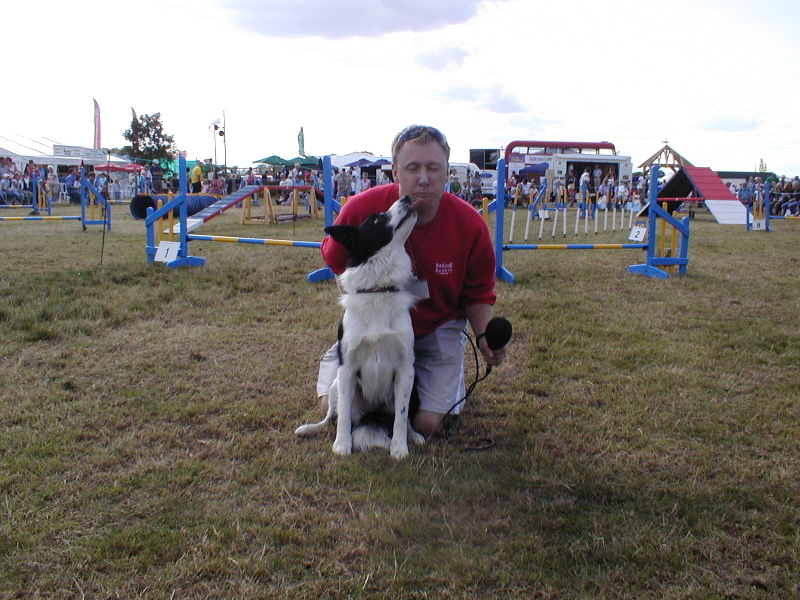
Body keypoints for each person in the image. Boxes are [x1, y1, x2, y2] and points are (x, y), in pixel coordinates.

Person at [314, 125, 507, 437]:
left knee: (426, 425)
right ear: (395, 172)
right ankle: (346, 353)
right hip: (374, 326)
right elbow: (335, 259)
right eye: (413, 168)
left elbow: (478, 293)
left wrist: (485, 337)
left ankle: (445, 381)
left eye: (433, 168)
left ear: (447, 171)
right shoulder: (362, 208)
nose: (424, 178)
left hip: (437, 330)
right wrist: (361, 314)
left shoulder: (471, 225)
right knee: (334, 411)